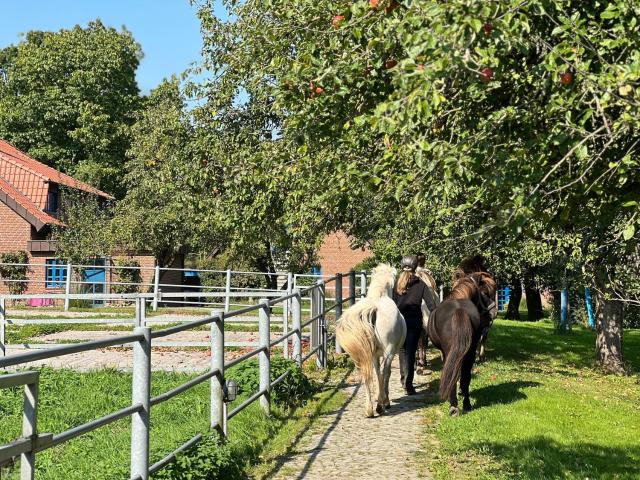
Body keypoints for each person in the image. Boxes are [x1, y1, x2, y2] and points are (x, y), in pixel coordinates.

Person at [393, 254, 438, 395]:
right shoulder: (421, 284)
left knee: (402, 351)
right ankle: (409, 384)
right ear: (415, 267)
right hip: (414, 321)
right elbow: (431, 305)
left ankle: (403, 380)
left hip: (399, 321)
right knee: (411, 352)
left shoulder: (396, 284)